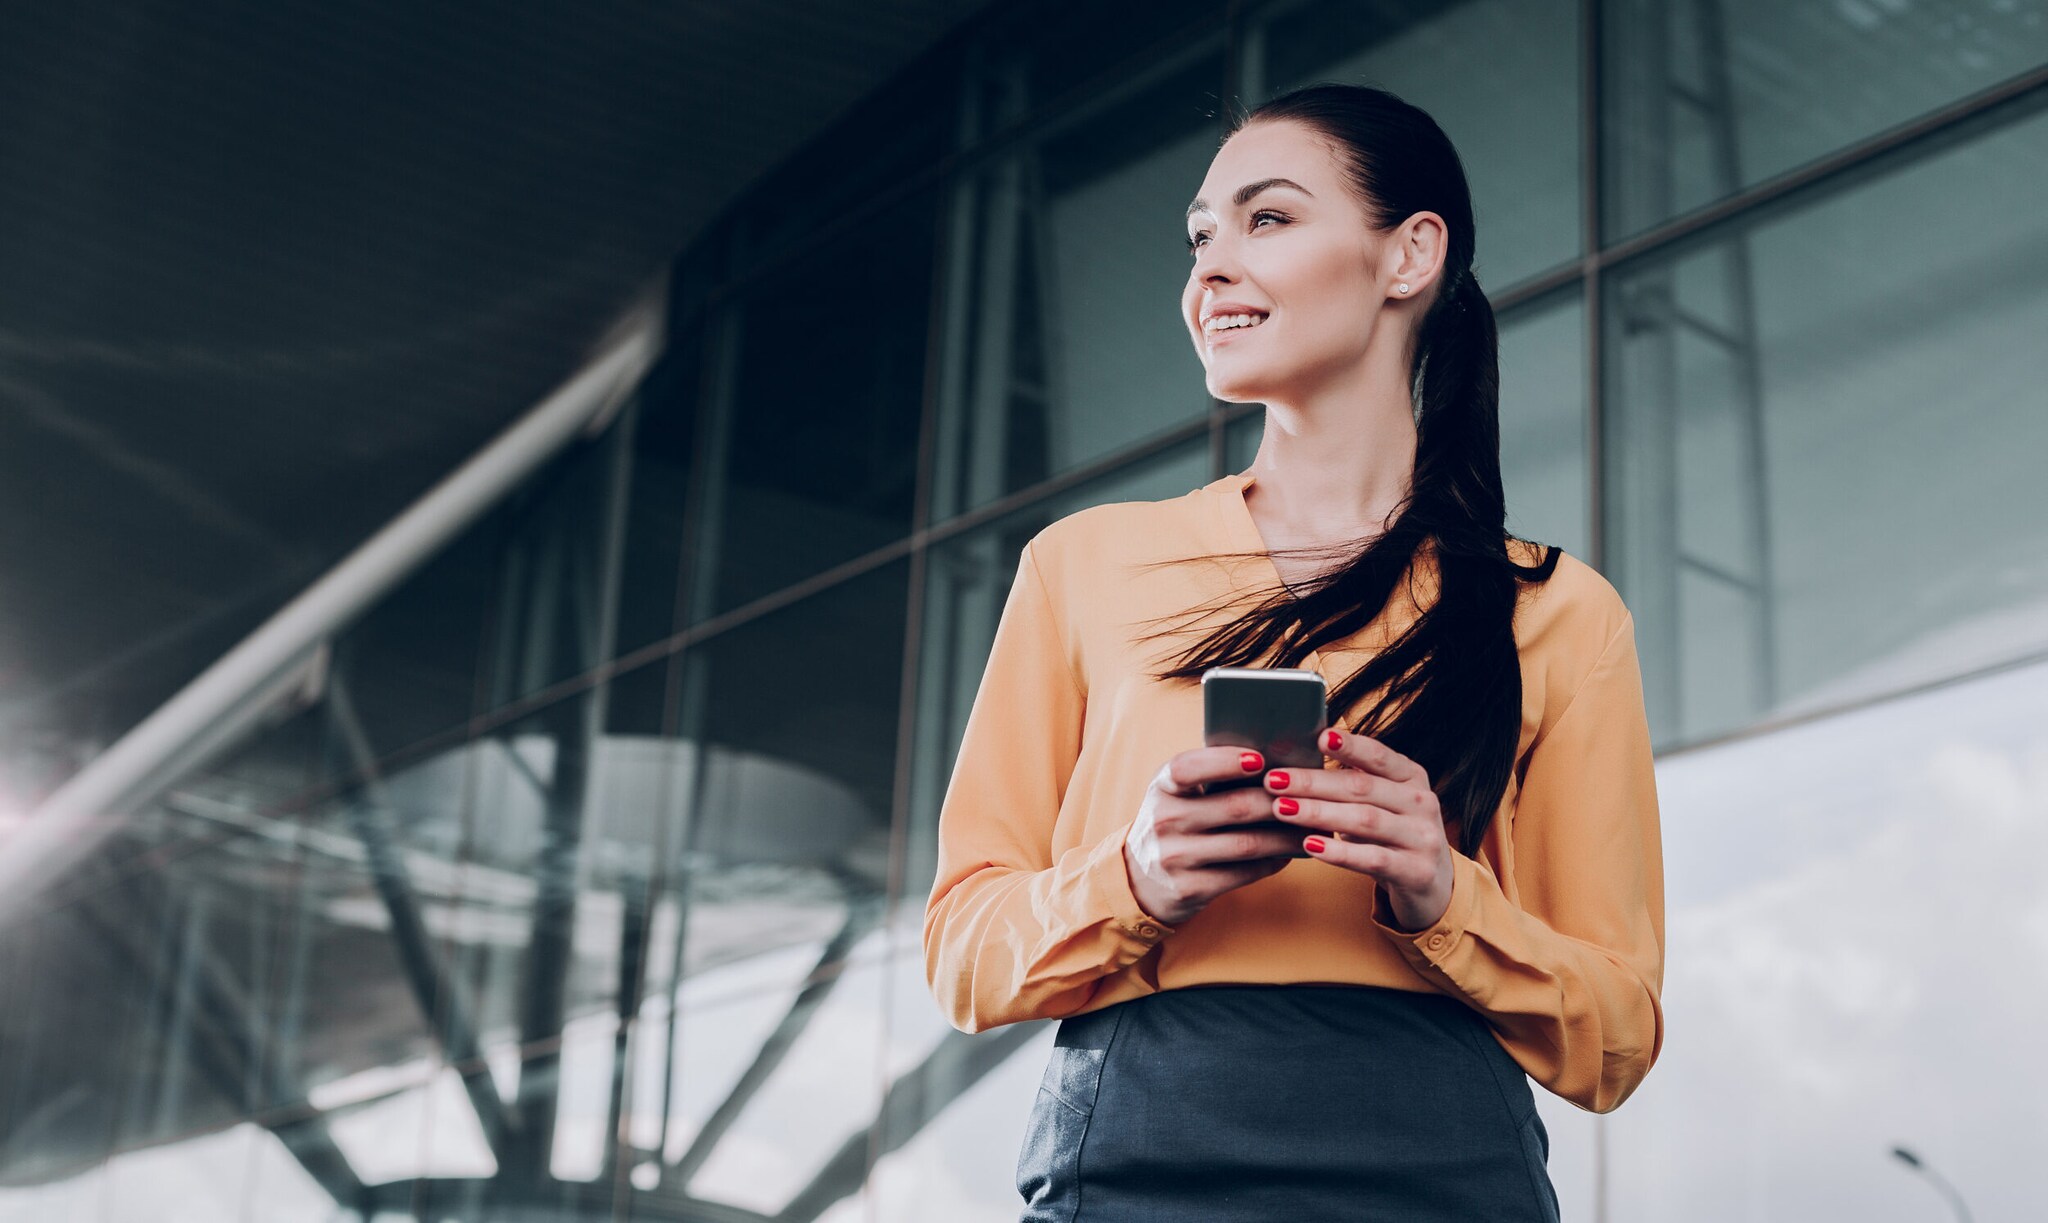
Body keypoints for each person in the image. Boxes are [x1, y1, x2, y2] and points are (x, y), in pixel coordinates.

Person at [922, 81, 1664, 1222]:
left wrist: (1439, 889)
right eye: (1199, 235)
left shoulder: (1557, 609)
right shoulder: (1082, 564)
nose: (1209, 268)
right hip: (1135, 1152)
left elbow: (1612, 1039)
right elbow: (963, 956)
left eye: (1264, 220)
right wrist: (1138, 874)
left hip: (1442, 1163)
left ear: (1408, 254)